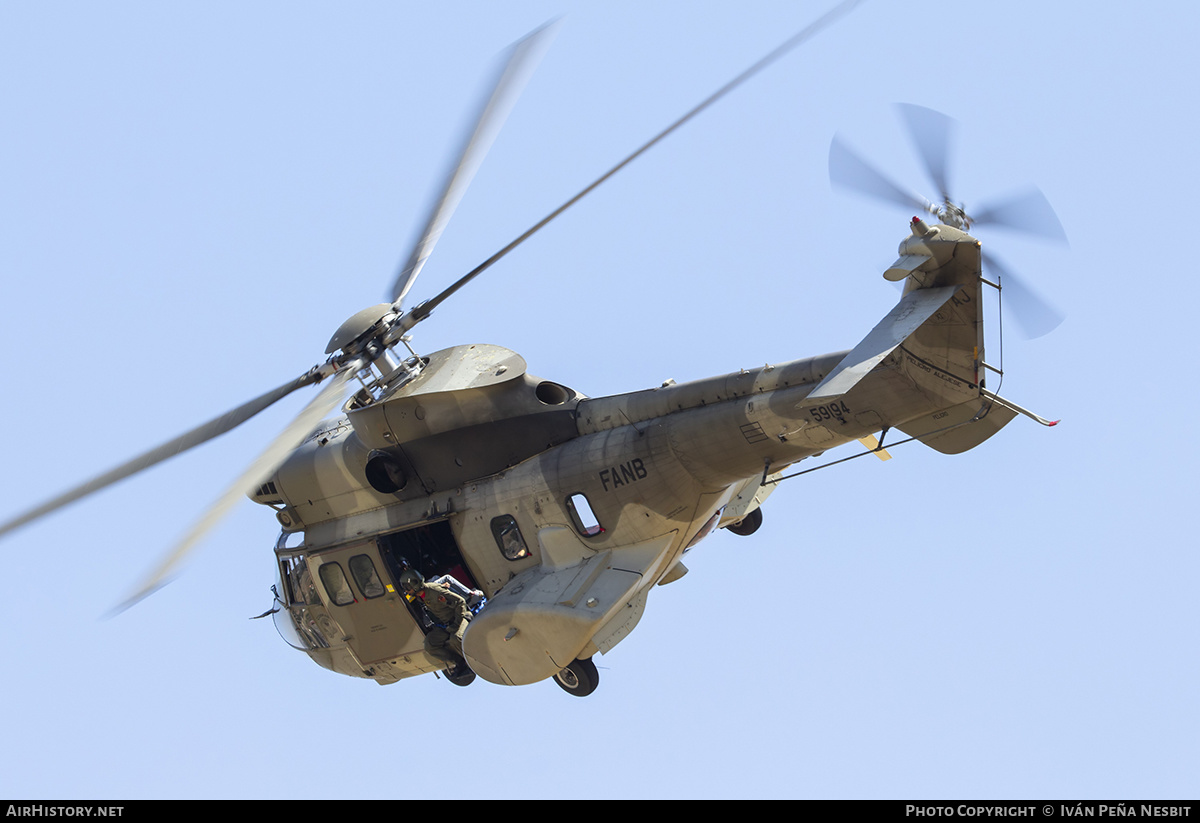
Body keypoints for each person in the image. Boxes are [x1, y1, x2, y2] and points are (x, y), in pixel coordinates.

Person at [399, 569, 472, 677]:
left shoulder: (434, 590)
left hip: (461, 617)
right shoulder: (420, 597)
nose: (406, 591)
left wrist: (456, 624)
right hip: (447, 624)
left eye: (407, 588)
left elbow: (460, 602)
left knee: (456, 638)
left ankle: (470, 663)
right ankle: (459, 661)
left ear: (414, 585)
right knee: (430, 645)